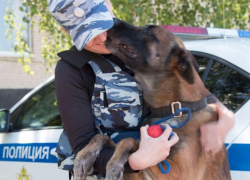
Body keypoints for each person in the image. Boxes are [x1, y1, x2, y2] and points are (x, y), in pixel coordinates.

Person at [48, 0, 235, 177]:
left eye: (102, 24)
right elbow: (82, 147)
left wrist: (225, 114)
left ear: (108, 6)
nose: (102, 37)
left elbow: (194, 91)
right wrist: (136, 161)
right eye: (88, 33)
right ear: (66, 30)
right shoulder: (72, 69)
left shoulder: (152, 45)